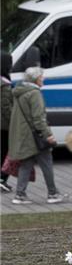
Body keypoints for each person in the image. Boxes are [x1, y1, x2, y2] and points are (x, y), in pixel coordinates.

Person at [8, 66, 67, 205]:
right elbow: (39, 118)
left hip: (24, 135)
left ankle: (20, 195)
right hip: (35, 136)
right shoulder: (34, 93)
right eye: (41, 77)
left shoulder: (19, 92)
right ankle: (52, 193)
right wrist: (48, 135)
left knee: (26, 164)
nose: (43, 79)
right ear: (36, 79)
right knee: (46, 163)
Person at [1, 52, 13, 193]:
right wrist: (13, 121)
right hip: (4, 126)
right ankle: (2, 179)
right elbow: (6, 107)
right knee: (5, 153)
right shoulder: (4, 84)